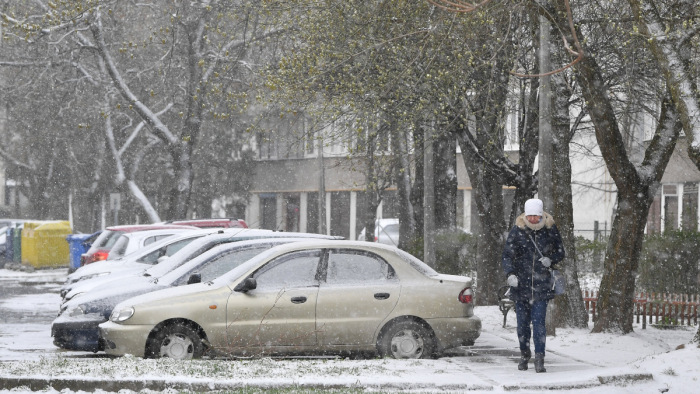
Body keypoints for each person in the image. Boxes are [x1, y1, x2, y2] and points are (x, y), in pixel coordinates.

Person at [502, 198, 565, 373]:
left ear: (541, 215)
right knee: (522, 325)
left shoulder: (550, 229)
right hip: (520, 287)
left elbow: (561, 251)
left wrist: (550, 260)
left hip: (541, 287)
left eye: (535, 216)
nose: (532, 219)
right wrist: (510, 274)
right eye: (529, 216)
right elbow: (507, 255)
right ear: (525, 215)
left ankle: (539, 358)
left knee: (538, 324)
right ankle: (524, 354)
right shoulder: (518, 230)